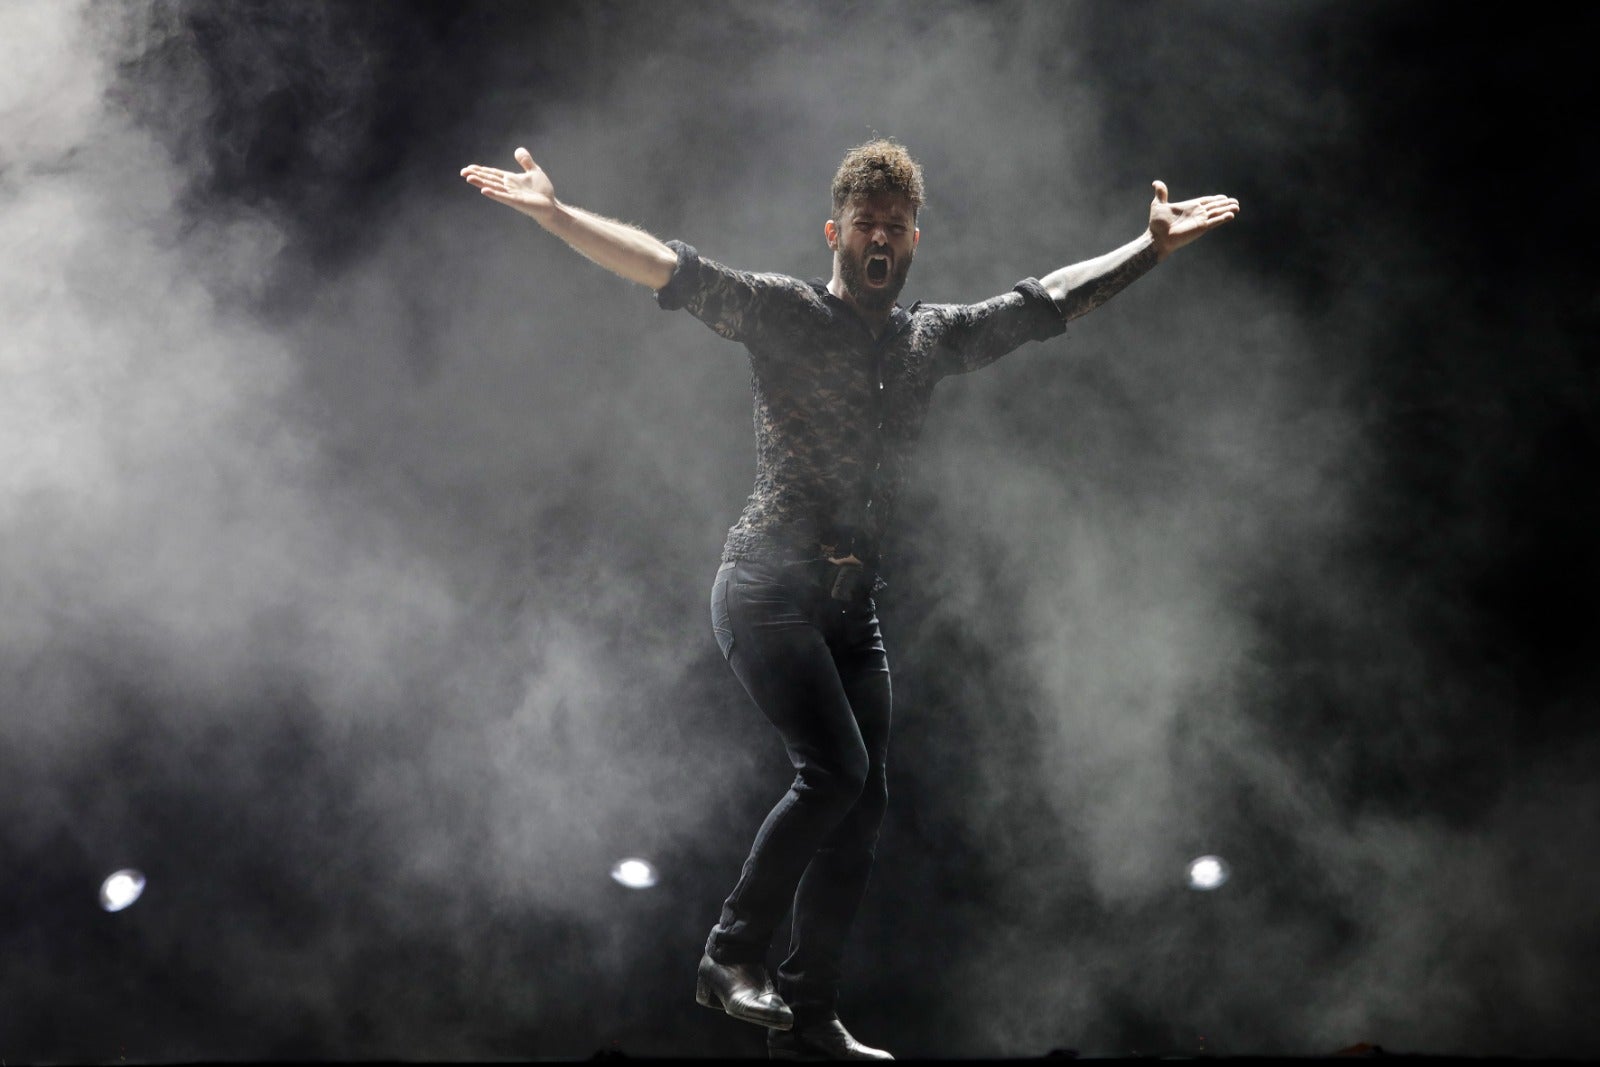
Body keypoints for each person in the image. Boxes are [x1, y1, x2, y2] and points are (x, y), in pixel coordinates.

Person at [461, 141, 1238, 1060]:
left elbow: (1044, 303)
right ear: (836, 233)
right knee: (831, 770)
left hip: (849, 607)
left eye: (897, 227)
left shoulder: (929, 338)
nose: (881, 238)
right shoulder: (785, 313)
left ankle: (807, 1019)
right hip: (764, 588)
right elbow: (666, 268)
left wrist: (1146, 248)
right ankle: (728, 954)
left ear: (914, 242)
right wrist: (557, 215)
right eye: (866, 223)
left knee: (862, 802)